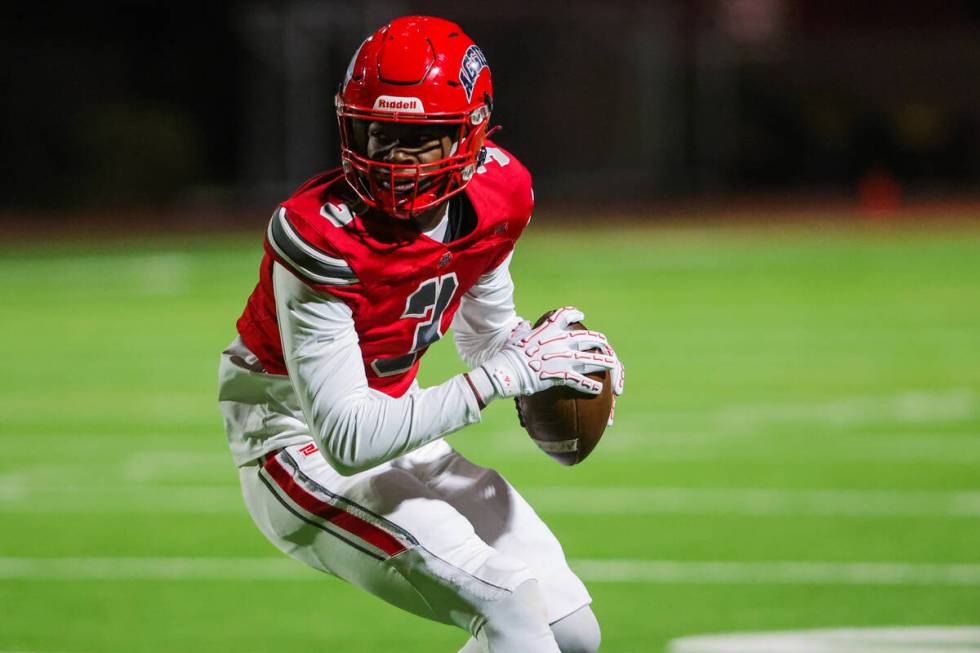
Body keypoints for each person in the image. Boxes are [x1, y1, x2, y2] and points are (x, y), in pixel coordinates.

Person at [218, 15, 625, 653]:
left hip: (393, 422)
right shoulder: (318, 234)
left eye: (419, 138)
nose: (391, 158)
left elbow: (489, 338)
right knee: (509, 608)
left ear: (473, 130)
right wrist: (504, 376)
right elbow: (347, 439)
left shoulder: (499, 193)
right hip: (295, 447)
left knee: (571, 631)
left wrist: (550, 358)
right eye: (377, 132)